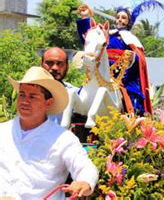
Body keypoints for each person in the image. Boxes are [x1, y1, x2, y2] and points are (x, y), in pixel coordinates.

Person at [0, 67, 98, 199]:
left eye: (32, 96)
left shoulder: (63, 139)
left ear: (49, 103)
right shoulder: (3, 131)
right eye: (22, 94)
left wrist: (85, 182)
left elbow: (84, 167)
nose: (25, 101)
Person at [76, 3, 160, 116]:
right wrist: (85, 17)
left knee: (131, 98)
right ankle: (76, 113)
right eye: (118, 17)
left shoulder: (132, 40)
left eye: (124, 17)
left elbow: (140, 59)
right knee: (83, 90)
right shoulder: (107, 35)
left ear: (129, 21)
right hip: (100, 71)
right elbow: (90, 39)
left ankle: (130, 119)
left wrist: (133, 58)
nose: (120, 20)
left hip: (122, 77)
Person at [41, 47, 78, 124]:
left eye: (60, 63)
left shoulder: (76, 94)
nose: (54, 68)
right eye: (49, 63)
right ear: (41, 64)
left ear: (67, 67)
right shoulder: (29, 93)